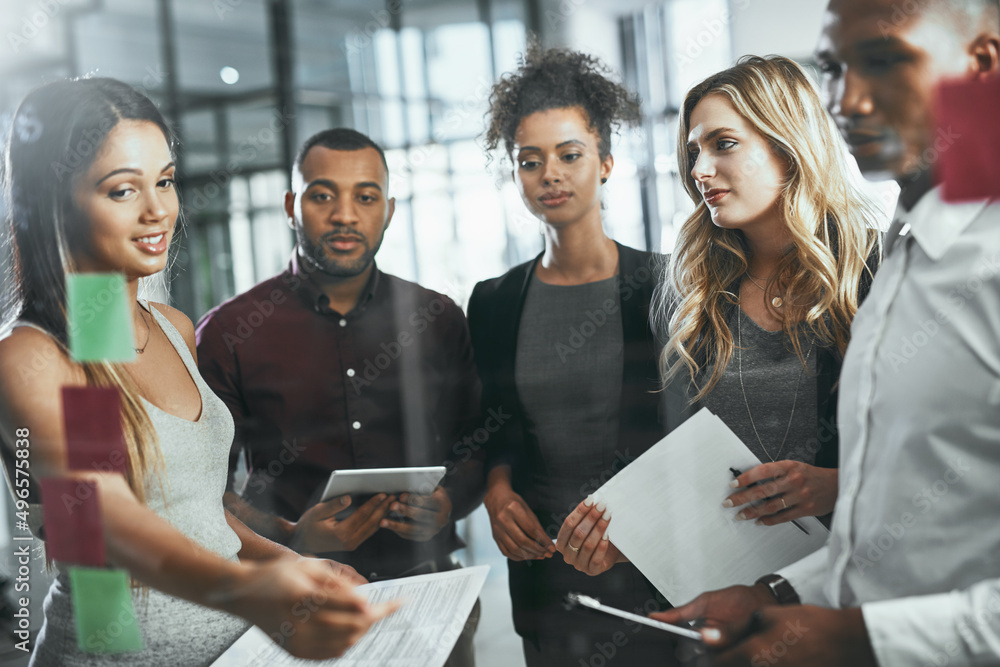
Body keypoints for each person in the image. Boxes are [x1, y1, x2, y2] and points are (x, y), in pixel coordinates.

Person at [0, 77, 395, 666]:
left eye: (163, 180)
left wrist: (290, 564)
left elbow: (194, 513)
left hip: (232, 653)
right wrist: (250, 593)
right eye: (121, 190)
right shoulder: (30, 357)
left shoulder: (171, 329)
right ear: (56, 202)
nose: (158, 209)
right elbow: (104, 520)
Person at [651, 2, 1000, 665]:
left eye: (886, 59)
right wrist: (774, 594)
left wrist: (859, 639)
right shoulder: (908, 255)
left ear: (982, 67)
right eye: (834, 69)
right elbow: (888, 532)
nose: (847, 99)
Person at [560, 54, 882, 581]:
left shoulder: (874, 271)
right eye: (693, 152)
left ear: (788, 143)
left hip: (856, 586)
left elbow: (949, 451)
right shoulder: (691, 293)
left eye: (723, 144)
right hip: (735, 592)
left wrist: (840, 483)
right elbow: (686, 470)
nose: (699, 170)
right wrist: (626, 538)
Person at [195, 128, 483, 666]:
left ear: (390, 210)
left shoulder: (438, 319)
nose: (345, 215)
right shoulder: (229, 333)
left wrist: (448, 504)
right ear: (291, 206)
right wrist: (287, 535)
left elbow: (477, 444)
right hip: (297, 606)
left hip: (430, 595)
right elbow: (202, 490)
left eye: (366, 197)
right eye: (323, 195)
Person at [468, 45, 674, 666]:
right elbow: (489, 429)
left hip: (655, 571)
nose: (549, 174)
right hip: (546, 578)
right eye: (530, 161)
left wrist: (634, 529)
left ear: (606, 162)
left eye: (569, 155)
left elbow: (690, 434)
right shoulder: (495, 301)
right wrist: (496, 493)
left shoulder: (665, 286)